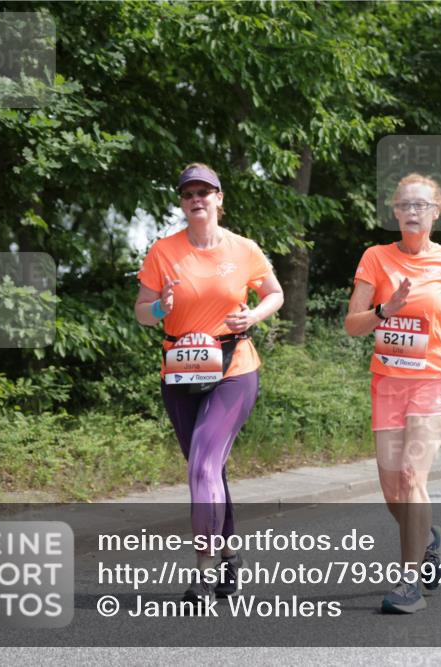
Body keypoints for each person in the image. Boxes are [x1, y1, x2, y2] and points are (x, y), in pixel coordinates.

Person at [134, 163, 284, 602]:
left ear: (219, 198)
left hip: (233, 366)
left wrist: (254, 314)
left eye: (204, 191)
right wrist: (160, 308)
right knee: (208, 470)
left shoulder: (244, 249)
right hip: (179, 371)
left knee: (201, 466)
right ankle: (229, 556)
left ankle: (203, 572)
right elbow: (142, 310)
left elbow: (273, 292)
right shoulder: (163, 251)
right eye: (188, 194)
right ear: (181, 203)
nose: (196, 199)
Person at [344, 173, 441, 613]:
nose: (412, 212)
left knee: (411, 475)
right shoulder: (376, 258)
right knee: (392, 489)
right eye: (405, 205)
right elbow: (353, 325)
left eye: (421, 205)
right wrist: (384, 310)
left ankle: (408, 584)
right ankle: (428, 539)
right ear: (395, 212)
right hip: (388, 383)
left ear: (435, 212)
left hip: (435, 379)